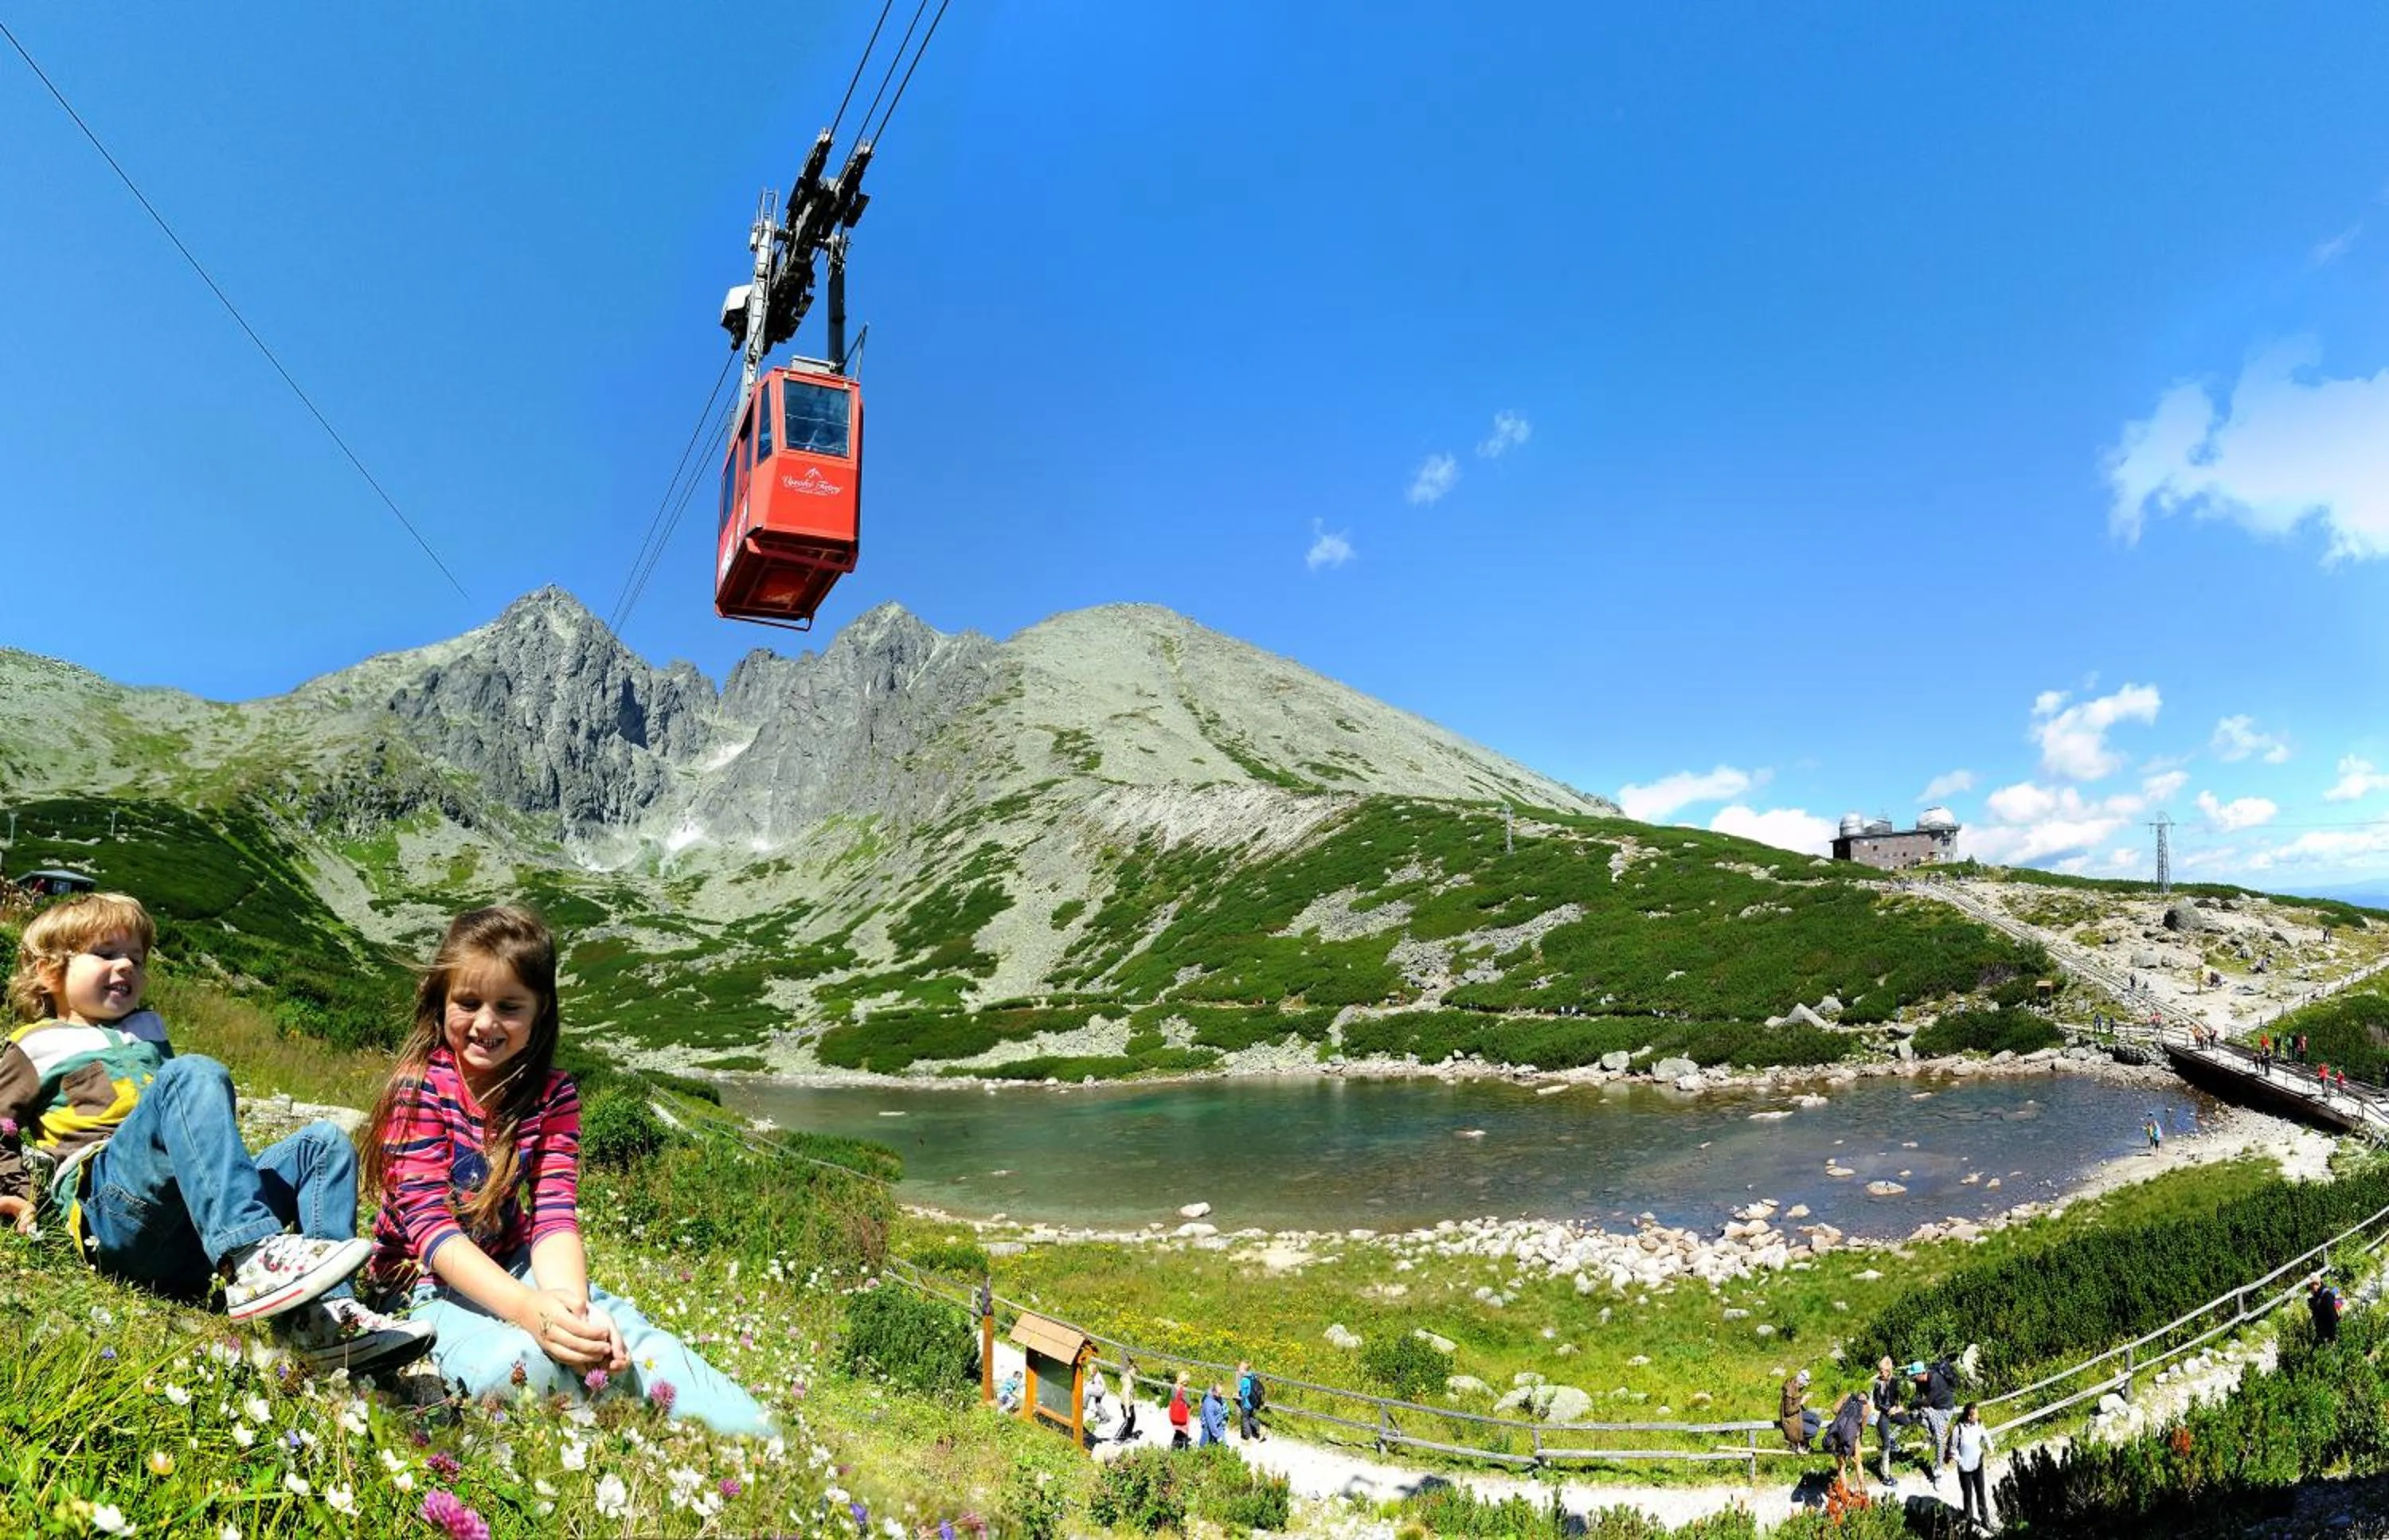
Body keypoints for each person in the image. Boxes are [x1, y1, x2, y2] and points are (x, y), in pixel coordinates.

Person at [361, 906, 772, 1436]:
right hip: (418, 1286)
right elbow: (431, 1232)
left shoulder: (555, 1096)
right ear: (440, 1004)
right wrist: (533, 1313)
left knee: (695, 1390)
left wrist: (570, 1313)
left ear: (540, 1012)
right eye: (467, 1003)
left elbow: (554, 1217)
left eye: (509, 1007)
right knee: (521, 1361)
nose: (485, 1023)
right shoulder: (416, 1092)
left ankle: (749, 1433)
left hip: (517, 1267)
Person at [1, 893, 429, 1375]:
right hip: (114, 1213)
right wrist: (16, 1192)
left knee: (324, 1144)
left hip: (186, 1234)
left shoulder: (146, 1033)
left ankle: (329, 1317)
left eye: (136, 959)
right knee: (193, 1073)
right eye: (105, 954)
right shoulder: (34, 1045)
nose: (125, 966)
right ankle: (251, 1257)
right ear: (49, 971)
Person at [1952, 1402, 1993, 1529]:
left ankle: (1984, 1519)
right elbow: (1953, 1448)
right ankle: (1968, 1517)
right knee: (1967, 1493)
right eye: (1976, 1413)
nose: (1978, 1415)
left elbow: (1985, 1435)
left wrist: (1990, 1446)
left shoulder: (1979, 1424)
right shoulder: (1958, 1429)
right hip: (1965, 1468)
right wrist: (1960, 1461)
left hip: (1978, 1463)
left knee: (1980, 1491)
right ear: (1969, 1417)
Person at [1870, 1356, 1911, 1480]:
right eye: (1880, 1370)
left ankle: (1893, 1437)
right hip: (1883, 1412)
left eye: (1882, 1370)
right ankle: (1886, 1473)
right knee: (1885, 1444)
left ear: (1888, 1370)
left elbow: (1898, 1397)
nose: (1880, 1373)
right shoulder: (1877, 1383)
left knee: (1907, 1421)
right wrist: (1888, 1409)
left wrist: (1897, 1407)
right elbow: (1877, 1402)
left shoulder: (1895, 1381)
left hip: (1893, 1410)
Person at [1915, 1356, 1959, 1465]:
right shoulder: (1919, 1381)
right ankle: (1931, 1434)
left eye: (1913, 1376)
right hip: (1934, 1407)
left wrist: (1915, 1404)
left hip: (1945, 1409)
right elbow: (1918, 1397)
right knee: (1915, 1416)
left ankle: (1939, 1467)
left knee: (1940, 1439)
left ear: (1921, 1373)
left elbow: (1927, 1401)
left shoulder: (1935, 1379)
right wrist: (1917, 1404)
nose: (1913, 1379)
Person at [1823, 1389, 1871, 1484]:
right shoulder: (1866, 1406)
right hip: (1854, 1437)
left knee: (1841, 1466)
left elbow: (1834, 1410)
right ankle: (1862, 1488)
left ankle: (1844, 1491)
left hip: (1839, 1435)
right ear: (1866, 1398)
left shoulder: (1847, 1397)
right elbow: (1863, 1426)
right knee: (1858, 1463)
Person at [1779, 1368, 1820, 1452]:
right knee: (1813, 1431)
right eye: (1803, 1385)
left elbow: (1796, 1401)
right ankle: (1798, 1444)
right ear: (1799, 1382)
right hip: (1790, 1419)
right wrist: (1801, 1402)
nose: (1803, 1387)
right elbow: (1788, 1410)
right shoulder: (1789, 1391)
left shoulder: (1796, 1385)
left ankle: (1804, 1443)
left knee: (1816, 1419)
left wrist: (1805, 1397)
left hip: (1798, 1413)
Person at [2309, 1275, 2344, 1344]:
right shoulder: (2318, 1295)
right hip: (2324, 1332)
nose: (2312, 1287)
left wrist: (2332, 1336)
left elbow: (2332, 1316)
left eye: (2313, 1284)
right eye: (2311, 1285)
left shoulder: (2326, 1296)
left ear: (2318, 1284)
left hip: (2330, 1333)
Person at [1236, 1359, 1265, 1440]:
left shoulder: (1244, 1380)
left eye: (1240, 1368)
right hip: (1253, 1402)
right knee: (1249, 1417)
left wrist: (1239, 1395)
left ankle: (1247, 1437)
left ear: (1243, 1369)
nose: (1238, 1369)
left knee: (1245, 1419)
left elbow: (1244, 1393)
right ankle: (1259, 1427)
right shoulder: (1252, 1375)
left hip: (1247, 1403)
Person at [1198, 1381, 1228, 1448]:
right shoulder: (1209, 1404)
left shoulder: (1217, 1397)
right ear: (1214, 1392)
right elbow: (1211, 1421)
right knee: (1203, 1446)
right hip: (1208, 1426)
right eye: (1219, 1394)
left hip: (1219, 1425)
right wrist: (1217, 1435)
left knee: (1223, 1446)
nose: (1220, 1396)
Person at [1168, 1370, 1192, 1448]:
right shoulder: (1184, 1391)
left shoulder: (1173, 1387)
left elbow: (1172, 1398)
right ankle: (1176, 1447)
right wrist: (1191, 1406)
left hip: (1174, 1413)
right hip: (1182, 1414)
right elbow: (1189, 1403)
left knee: (1178, 1431)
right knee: (1182, 1431)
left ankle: (1180, 1444)